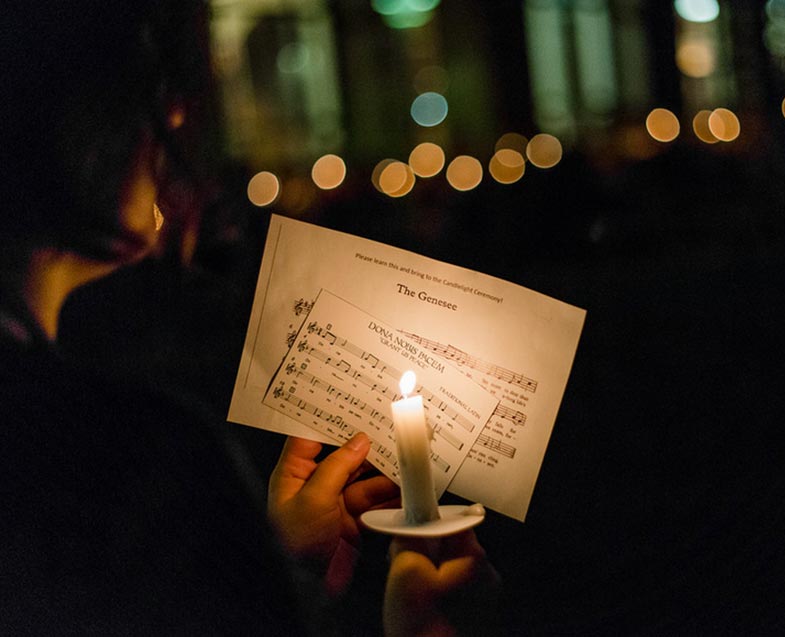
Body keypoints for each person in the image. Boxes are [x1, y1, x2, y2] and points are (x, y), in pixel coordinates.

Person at [0, 1, 498, 634]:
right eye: (148, 88)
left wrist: (276, 568)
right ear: (51, 119)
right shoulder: (130, 459)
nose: (176, 117)